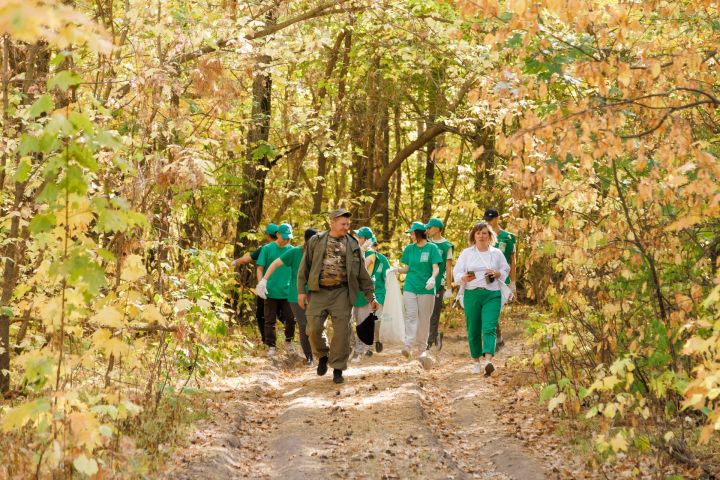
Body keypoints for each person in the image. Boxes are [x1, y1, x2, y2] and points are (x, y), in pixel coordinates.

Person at [297, 209, 378, 384]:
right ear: (332, 222)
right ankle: (323, 355)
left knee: (342, 332)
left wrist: (371, 297)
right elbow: (304, 267)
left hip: (342, 292)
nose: (346, 227)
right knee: (313, 328)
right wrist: (301, 291)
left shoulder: (353, 244)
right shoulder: (316, 241)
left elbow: (362, 273)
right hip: (318, 291)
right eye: (343, 224)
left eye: (348, 224)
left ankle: (338, 368)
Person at [453, 222, 510, 376]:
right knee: (473, 330)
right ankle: (476, 361)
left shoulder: (497, 253)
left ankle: (488, 361)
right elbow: (456, 272)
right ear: (474, 235)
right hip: (472, 294)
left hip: (492, 294)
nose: (481, 236)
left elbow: (505, 269)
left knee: (489, 327)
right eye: (478, 233)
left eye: (485, 233)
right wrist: (463, 277)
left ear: (490, 236)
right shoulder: (467, 253)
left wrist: (497, 273)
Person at [258, 227, 318, 365]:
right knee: (303, 326)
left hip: (317, 295)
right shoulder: (295, 252)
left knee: (316, 325)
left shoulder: (322, 252)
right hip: (296, 295)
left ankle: (320, 352)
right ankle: (309, 357)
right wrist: (264, 281)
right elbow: (275, 263)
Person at [394, 221, 442, 369]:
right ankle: (407, 346)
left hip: (426, 288)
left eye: (413, 233)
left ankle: (422, 350)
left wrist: (433, 278)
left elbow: (436, 267)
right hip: (410, 286)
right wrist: (395, 270)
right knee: (411, 316)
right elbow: (407, 268)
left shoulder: (432, 248)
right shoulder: (409, 249)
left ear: (420, 233)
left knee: (424, 320)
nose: (411, 236)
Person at [231, 223, 279, 342]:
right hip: (284, 287)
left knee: (262, 315)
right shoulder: (288, 248)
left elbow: (248, 259)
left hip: (266, 287)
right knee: (282, 314)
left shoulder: (265, 249)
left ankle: (267, 341)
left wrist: (236, 261)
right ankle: (288, 340)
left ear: (268, 235)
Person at [350, 227, 390, 362]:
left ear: (366, 240)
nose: (356, 239)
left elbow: (361, 270)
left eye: (359, 237)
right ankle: (359, 346)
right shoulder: (354, 252)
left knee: (364, 323)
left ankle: (359, 351)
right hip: (352, 293)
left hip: (367, 294)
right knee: (350, 322)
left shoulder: (373, 255)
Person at [256, 223, 295, 357]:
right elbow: (260, 268)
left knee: (290, 318)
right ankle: (271, 346)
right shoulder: (267, 249)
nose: (286, 240)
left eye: (288, 238)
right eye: (284, 237)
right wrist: (261, 283)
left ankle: (289, 342)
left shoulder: (292, 250)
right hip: (270, 291)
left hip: (287, 291)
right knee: (269, 320)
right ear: (277, 234)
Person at [483, 208, 517, 348]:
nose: (489, 222)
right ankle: (495, 337)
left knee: (495, 308)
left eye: (491, 219)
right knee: (489, 307)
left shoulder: (508, 237)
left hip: (502, 278)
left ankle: (497, 336)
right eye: (487, 220)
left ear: (497, 218)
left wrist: (513, 282)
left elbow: (513, 260)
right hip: (487, 278)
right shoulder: (483, 235)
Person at [425, 217, 454, 351]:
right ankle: (434, 335)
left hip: (439, 282)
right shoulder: (426, 243)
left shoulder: (446, 245)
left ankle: (429, 342)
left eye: (429, 227)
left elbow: (448, 268)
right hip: (425, 282)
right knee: (425, 312)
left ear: (437, 229)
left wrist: (449, 288)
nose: (427, 230)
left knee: (434, 312)